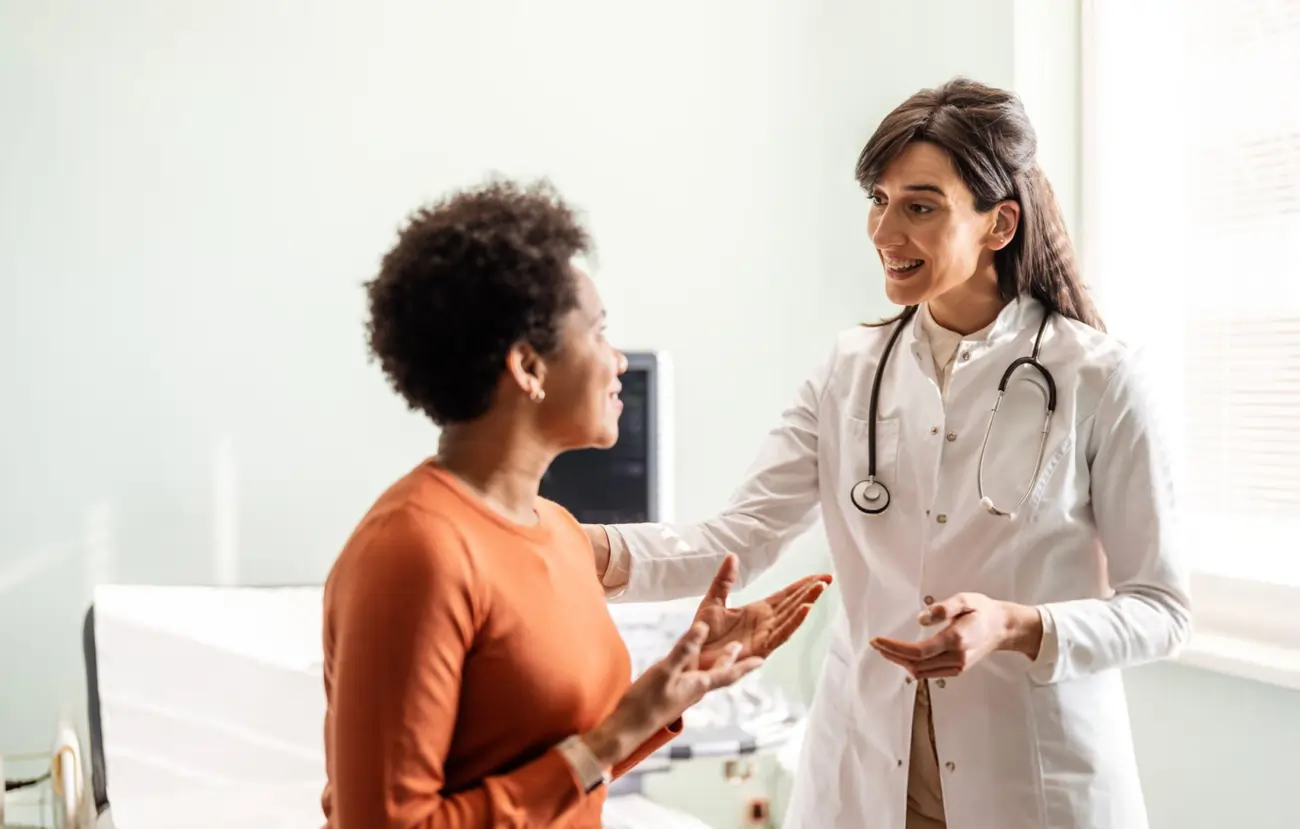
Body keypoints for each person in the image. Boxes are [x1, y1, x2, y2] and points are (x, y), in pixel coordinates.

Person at [584, 78, 1191, 829]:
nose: (884, 231)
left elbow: (1160, 609)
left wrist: (1016, 625)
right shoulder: (851, 369)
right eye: (879, 198)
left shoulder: (1100, 377)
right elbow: (736, 539)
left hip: (1031, 780)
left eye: (921, 206)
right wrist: (568, 548)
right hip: (866, 771)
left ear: (999, 224)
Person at [319, 178, 831, 829]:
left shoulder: (556, 531)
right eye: (599, 331)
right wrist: (610, 739)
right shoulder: (414, 551)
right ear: (528, 366)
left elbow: (560, 761)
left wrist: (670, 692)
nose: (617, 360)